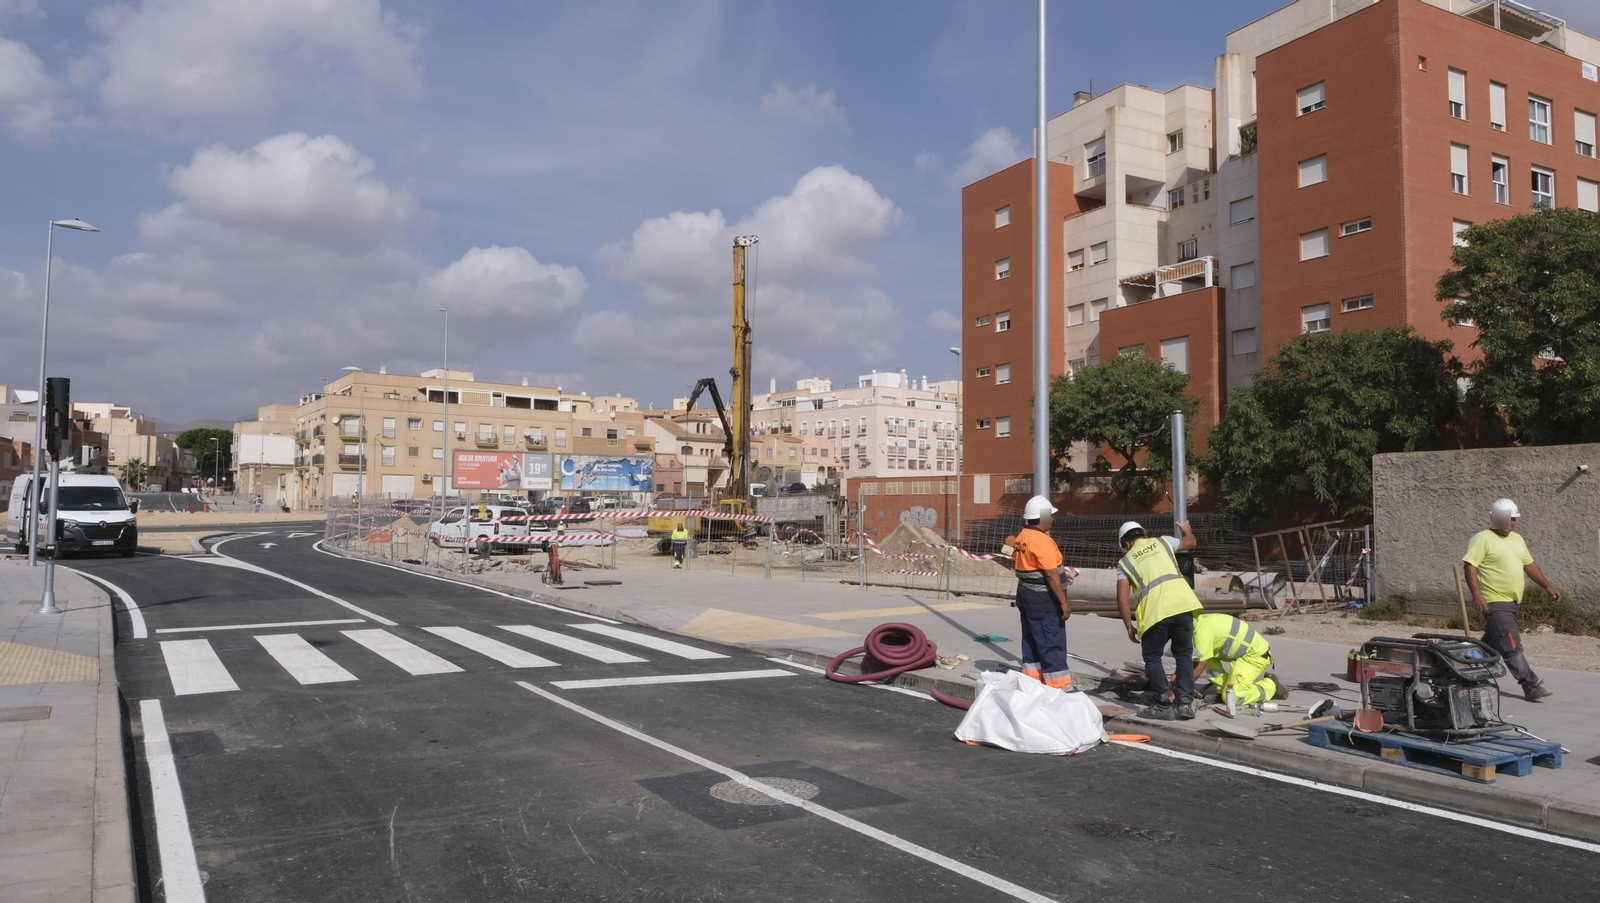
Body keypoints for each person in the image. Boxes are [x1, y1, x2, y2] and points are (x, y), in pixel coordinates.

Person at [1463, 498, 1560, 702]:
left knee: (1490, 644)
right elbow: (1470, 565)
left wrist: (1548, 586)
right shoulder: (1483, 538)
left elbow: (1530, 565)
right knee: (1510, 643)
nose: (1511, 523)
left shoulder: (1517, 539)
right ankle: (1530, 684)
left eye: (1513, 519)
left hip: (1513, 602)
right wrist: (1477, 593)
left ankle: (1465, 671)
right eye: (1507, 519)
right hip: (1494, 601)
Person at [1116, 520, 1203, 720]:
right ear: (1143, 534)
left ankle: (1163, 704)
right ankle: (1185, 704)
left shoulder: (1125, 562)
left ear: (1126, 543)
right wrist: (1187, 531)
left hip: (1156, 611)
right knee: (1183, 654)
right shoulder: (1164, 542)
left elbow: (1121, 598)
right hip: (1183, 605)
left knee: (1153, 657)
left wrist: (1129, 626)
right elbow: (1191, 542)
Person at [1010, 496, 1073, 689]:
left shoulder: (1022, 537)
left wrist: (1065, 575)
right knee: (1050, 641)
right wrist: (1064, 602)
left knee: (1031, 639)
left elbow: (1029, 567)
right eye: (1050, 515)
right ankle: (1060, 686)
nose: (1052, 519)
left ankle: (1032, 681)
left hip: (1026, 596)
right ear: (1041, 517)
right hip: (1044, 600)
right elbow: (1050, 573)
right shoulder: (1042, 540)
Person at [1191, 612, 1284, 707]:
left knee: (1232, 698)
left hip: (1255, 656)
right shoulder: (1197, 622)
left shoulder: (1201, 633)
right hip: (1245, 654)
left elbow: (1199, 667)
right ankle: (1222, 689)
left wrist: (1183, 689)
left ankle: (1271, 686)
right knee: (1203, 656)